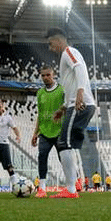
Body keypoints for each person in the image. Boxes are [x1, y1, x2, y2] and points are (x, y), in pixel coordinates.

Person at [46, 28, 96, 199]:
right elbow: (70, 86)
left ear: (59, 41)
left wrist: (80, 93)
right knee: (66, 143)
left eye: (51, 44)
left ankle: (71, 189)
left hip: (80, 104)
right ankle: (74, 185)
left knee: (63, 143)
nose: (51, 48)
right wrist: (63, 108)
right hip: (75, 104)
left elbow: (80, 69)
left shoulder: (69, 52)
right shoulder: (65, 56)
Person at [31, 65, 64, 198]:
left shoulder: (62, 90)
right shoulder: (40, 93)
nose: (45, 77)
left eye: (48, 75)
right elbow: (40, 114)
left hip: (60, 130)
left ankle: (73, 183)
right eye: (43, 75)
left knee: (64, 158)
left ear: (53, 74)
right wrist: (35, 133)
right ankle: (42, 188)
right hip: (44, 132)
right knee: (42, 157)